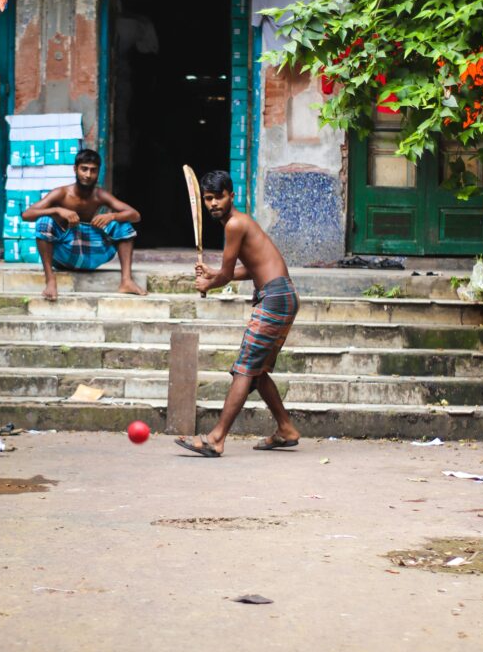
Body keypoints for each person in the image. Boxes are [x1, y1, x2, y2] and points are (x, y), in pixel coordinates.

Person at [175, 170, 300, 457]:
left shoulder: (234, 224)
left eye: (219, 197)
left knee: (244, 369)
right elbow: (253, 267)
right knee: (257, 373)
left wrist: (211, 280)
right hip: (281, 295)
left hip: (275, 299)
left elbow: (228, 273)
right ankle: (286, 429)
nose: (213, 203)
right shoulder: (239, 223)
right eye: (208, 199)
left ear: (231, 195)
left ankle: (216, 438)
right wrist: (216, 273)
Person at [21, 148, 146, 301]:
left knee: (122, 223)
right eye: (84, 169)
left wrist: (112, 215)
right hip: (65, 255)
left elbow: (135, 215)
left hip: (91, 253)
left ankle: (126, 281)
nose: (88, 175)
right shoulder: (61, 193)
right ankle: (50, 280)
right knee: (44, 221)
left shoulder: (100, 195)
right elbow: (27, 215)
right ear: (75, 169)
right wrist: (58, 210)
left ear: (98, 172)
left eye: (93, 170)